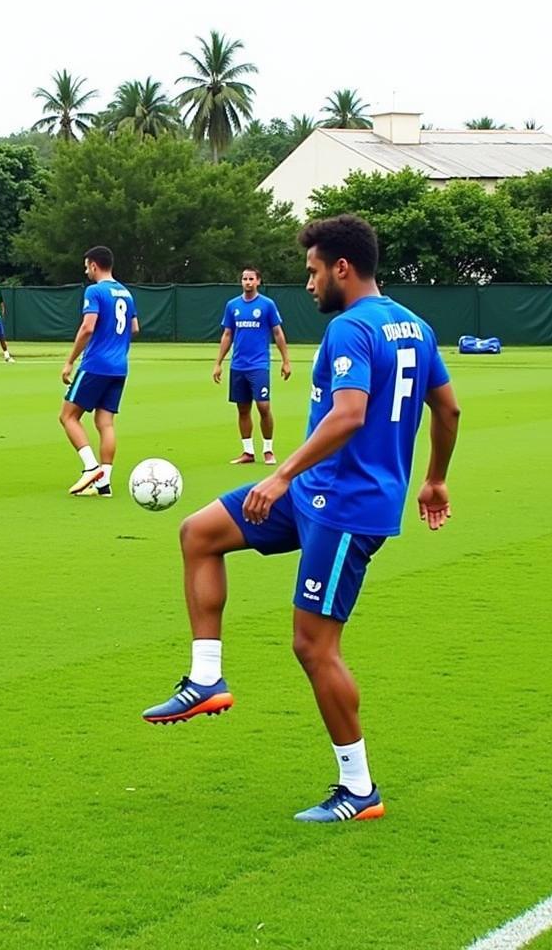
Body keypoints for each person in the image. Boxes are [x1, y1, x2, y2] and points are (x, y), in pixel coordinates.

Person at [142, 215, 461, 824]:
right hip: (318, 491)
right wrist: (435, 476)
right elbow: (448, 409)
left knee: (314, 647)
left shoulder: (350, 329)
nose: (308, 282)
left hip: (346, 508)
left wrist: (279, 474)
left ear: (342, 267)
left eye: (312, 270)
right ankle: (206, 678)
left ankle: (359, 789)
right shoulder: (414, 326)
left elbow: (347, 416)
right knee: (199, 532)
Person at [60, 246, 138, 498]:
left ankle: (91, 467)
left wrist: (70, 361)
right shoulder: (126, 293)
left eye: (86, 266)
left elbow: (87, 327)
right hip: (119, 367)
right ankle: (104, 483)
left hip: (96, 364)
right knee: (105, 423)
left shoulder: (94, 291)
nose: (86, 271)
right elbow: (134, 327)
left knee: (68, 416)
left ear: (94, 265)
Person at [213, 266, 291, 465]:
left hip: (259, 364)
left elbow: (278, 333)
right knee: (243, 409)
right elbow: (228, 335)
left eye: (251, 279)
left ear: (258, 281)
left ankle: (268, 449)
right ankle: (248, 452)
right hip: (238, 365)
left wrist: (286, 360)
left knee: (263, 406)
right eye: (244, 279)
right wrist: (218, 363)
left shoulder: (267, 305)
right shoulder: (232, 306)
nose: (247, 282)